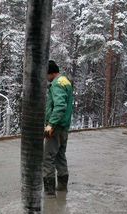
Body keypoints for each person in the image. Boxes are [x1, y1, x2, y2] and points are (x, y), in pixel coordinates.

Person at [43, 60, 73, 197]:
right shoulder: (65, 81)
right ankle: (62, 188)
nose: (45, 77)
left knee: (48, 158)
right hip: (64, 127)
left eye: (46, 74)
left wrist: (51, 124)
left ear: (51, 72)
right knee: (60, 156)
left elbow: (60, 106)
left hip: (55, 128)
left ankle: (49, 192)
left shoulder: (57, 84)